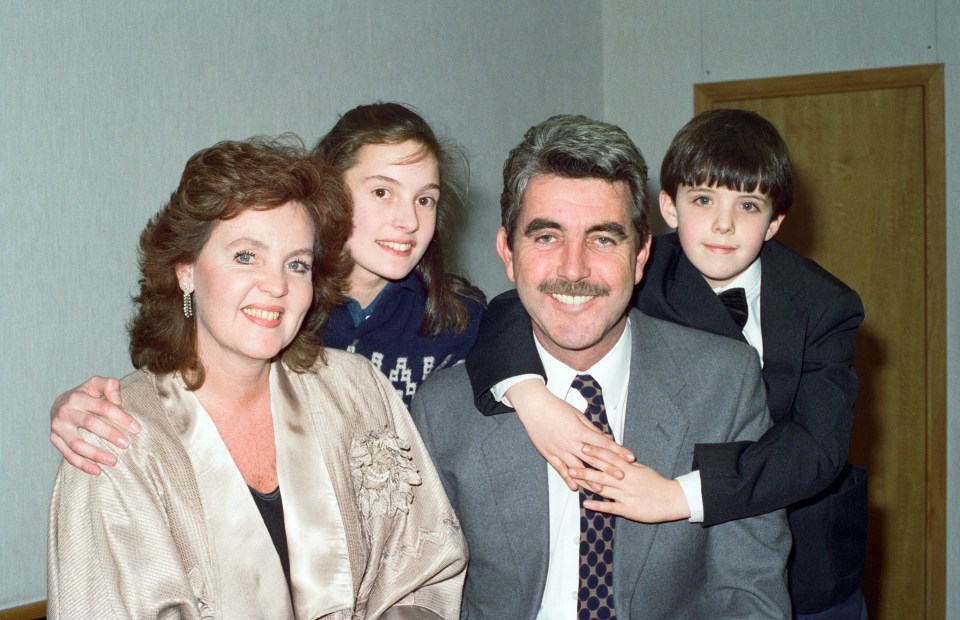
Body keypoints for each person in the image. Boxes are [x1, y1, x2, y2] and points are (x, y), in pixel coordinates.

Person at [465, 110, 867, 618]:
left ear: (775, 223)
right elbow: (521, 303)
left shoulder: (824, 304)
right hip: (687, 554)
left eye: (748, 205)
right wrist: (529, 395)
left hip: (807, 546)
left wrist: (678, 495)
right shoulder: (638, 265)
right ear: (669, 209)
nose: (723, 224)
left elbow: (818, 446)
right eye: (703, 200)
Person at [47, 137, 467, 619]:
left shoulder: (358, 392)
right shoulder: (114, 441)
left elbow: (424, 575)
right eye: (246, 256)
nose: (276, 285)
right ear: (185, 271)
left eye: (296, 264)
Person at [47, 103, 485, 476]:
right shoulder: (274, 315)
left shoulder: (458, 318)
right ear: (332, 192)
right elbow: (177, 397)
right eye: (382, 192)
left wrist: (525, 389)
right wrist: (76, 408)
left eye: (425, 199)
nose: (409, 220)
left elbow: (525, 336)